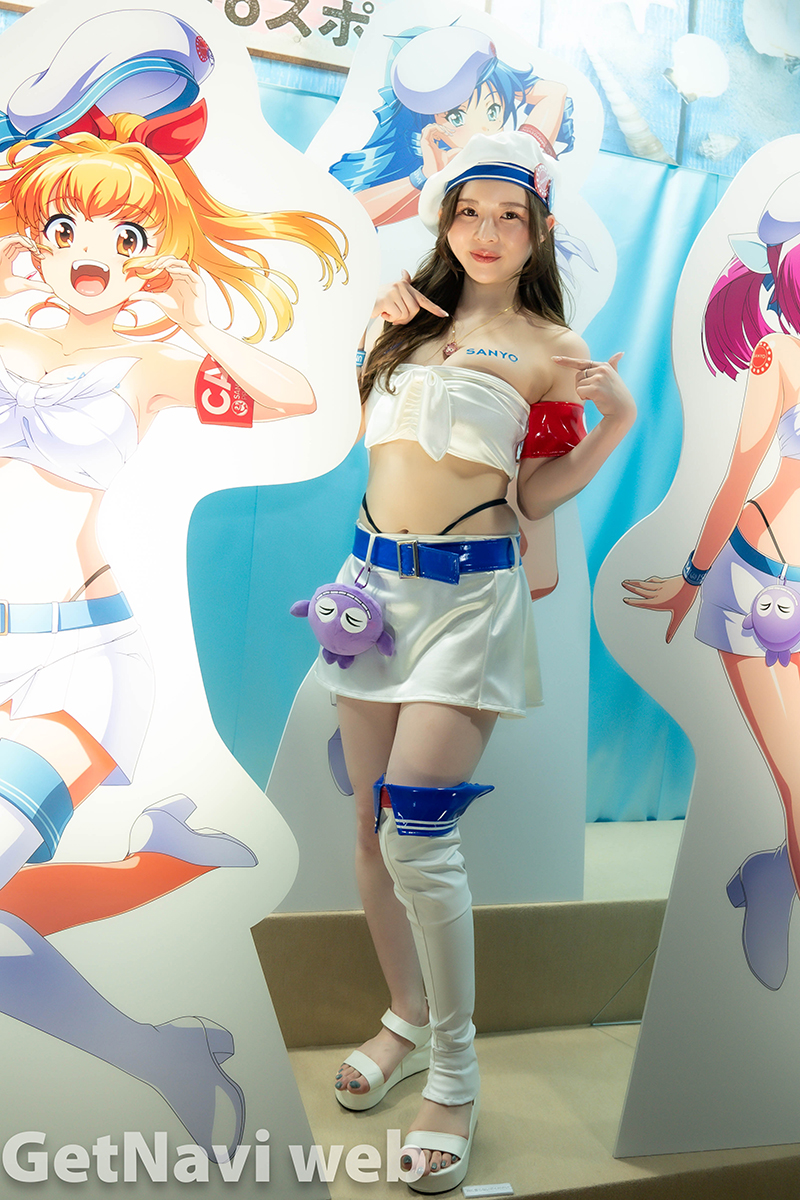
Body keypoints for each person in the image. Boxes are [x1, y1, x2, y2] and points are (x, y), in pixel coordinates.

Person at [0, 10, 347, 1160]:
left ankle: (159, 1051)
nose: (91, 252)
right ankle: (165, 880)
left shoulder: (149, 363)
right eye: (65, 226)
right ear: (36, 236)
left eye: (126, 232)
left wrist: (199, 321)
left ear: (154, 247)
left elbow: (293, 399)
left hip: (77, 659)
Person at [316, 130, 635, 1191]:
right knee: (368, 830)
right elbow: (351, 436)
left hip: (468, 599)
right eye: (468, 212)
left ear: (537, 230)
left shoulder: (552, 346)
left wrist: (615, 421)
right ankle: (404, 1019)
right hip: (368, 591)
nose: (486, 233)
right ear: (444, 221)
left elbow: (533, 494)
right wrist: (371, 332)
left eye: (509, 216)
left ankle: (455, 1073)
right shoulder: (404, 317)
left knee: (417, 837)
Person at [623, 172, 800, 993]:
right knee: (797, 780)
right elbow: (738, 476)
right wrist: (693, 580)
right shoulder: (778, 356)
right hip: (763, 584)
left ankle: (771, 875)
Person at [330, 23, 573, 227]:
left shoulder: (517, 157)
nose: (484, 130)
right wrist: (426, 176)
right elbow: (348, 214)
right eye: (457, 118)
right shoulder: (443, 174)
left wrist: (503, 82)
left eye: (493, 111)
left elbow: (554, 93)